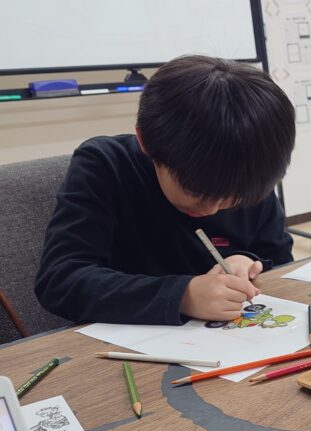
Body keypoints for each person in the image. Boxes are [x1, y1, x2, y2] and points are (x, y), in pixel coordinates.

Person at [35, 55, 295, 325]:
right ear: (146, 143)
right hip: (129, 339)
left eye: (233, 199)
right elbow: (60, 280)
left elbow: (281, 262)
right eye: (197, 192)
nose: (212, 208)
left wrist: (248, 263)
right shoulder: (106, 165)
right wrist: (183, 296)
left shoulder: (248, 169)